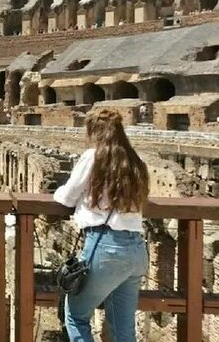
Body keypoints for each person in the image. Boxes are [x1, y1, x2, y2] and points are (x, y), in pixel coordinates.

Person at [54, 109, 149, 342]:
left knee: (75, 315)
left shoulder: (93, 157)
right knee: (123, 330)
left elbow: (66, 197)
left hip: (105, 246)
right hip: (136, 250)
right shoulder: (135, 160)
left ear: (94, 131)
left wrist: (56, 192)